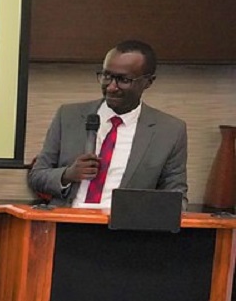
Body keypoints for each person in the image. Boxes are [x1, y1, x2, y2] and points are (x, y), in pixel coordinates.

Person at [28, 39, 187, 208]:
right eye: (106, 76)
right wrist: (68, 174)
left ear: (148, 82)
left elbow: (176, 195)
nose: (111, 87)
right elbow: (37, 177)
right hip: (67, 217)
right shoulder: (68, 116)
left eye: (123, 80)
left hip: (124, 222)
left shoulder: (169, 131)